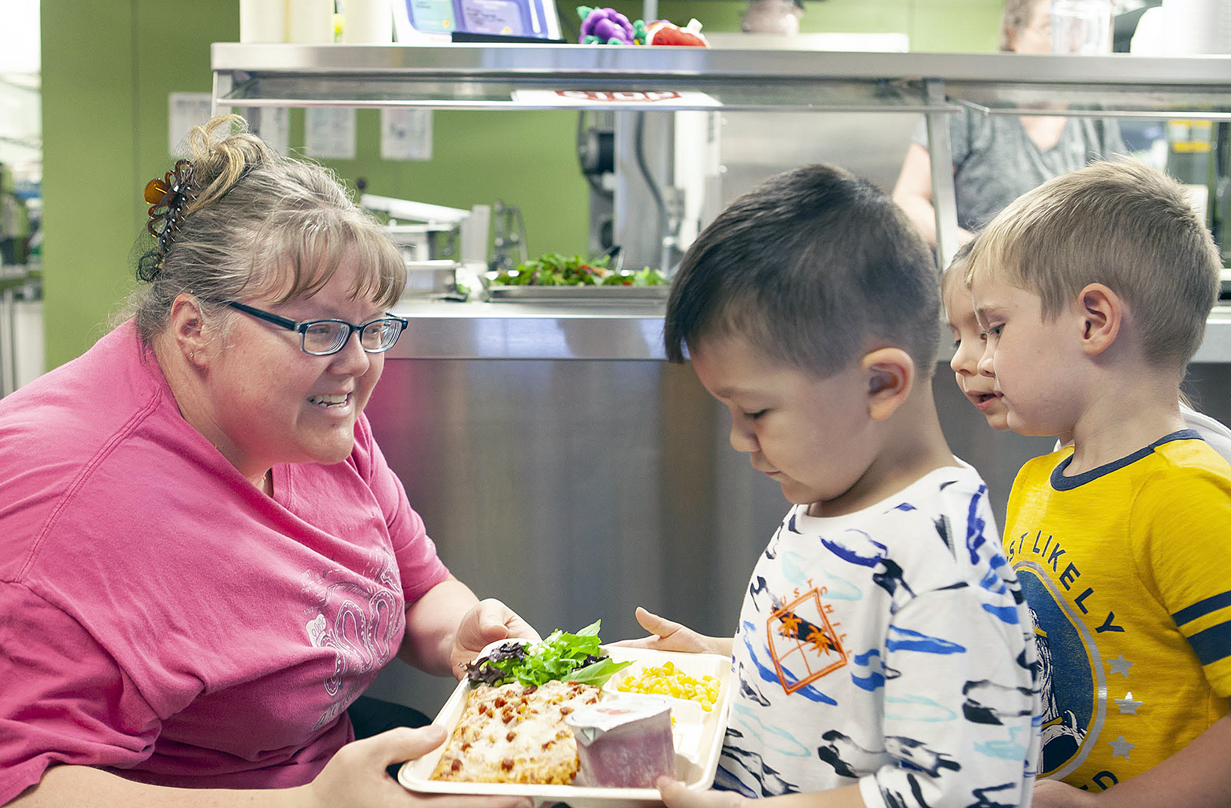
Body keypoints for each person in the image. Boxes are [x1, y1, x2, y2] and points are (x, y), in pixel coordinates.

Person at [0, 115, 538, 808]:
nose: (356, 363)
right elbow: (27, 788)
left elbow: (418, 588)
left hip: (329, 765)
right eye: (318, 329)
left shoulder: (310, 417)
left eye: (372, 328)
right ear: (194, 327)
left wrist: (460, 636)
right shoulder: (66, 503)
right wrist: (310, 806)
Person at [624, 163, 1041, 808]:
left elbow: (953, 792)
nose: (738, 439)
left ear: (880, 384)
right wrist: (725, 658)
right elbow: (841, 657)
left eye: (756, 413)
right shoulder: (836, 500)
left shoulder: (940, 562)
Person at [965, 158, 1231, 806]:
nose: (981, 357)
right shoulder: (1038, 481)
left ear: (1092, 321)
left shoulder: (1182, 498)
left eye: (995, 328)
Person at [944, 236, 1231, 461]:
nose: (960, 361)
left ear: (1092, 323)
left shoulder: (1205, 471)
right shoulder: (1067, 460)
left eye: (992, 330)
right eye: (957, 340)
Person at [892, 0, 1125, 250]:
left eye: (1078, 28)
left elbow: (1121, 207)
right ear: (1013, 34)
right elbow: (908, 200)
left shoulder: (1094, 112)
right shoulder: (971, 105)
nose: (1069, 42)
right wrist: (984, 255)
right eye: (1051, 27)